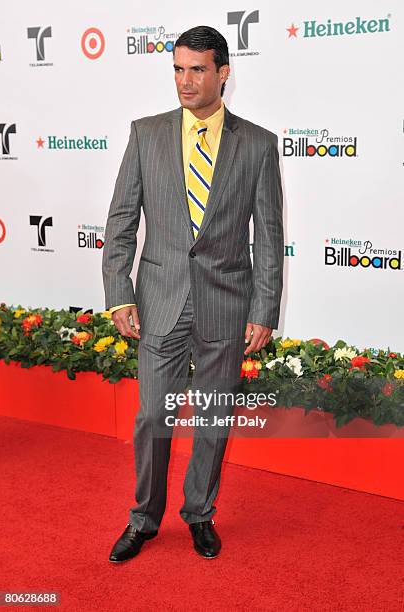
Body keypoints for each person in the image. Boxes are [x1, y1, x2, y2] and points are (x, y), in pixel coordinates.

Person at [102, 25, 284, 563]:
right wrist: (120, 291)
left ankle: (200, 514)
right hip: (159, 299)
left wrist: (264, 307)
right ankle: (143, 519)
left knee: (212, 420)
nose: (185, 81)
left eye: (197, 70)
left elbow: (268, 235)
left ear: (223, 73)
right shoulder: (146, 133)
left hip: (227, 303)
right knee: (152, 418)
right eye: (178, 69)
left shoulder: (257, 144)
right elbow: (120, 222)